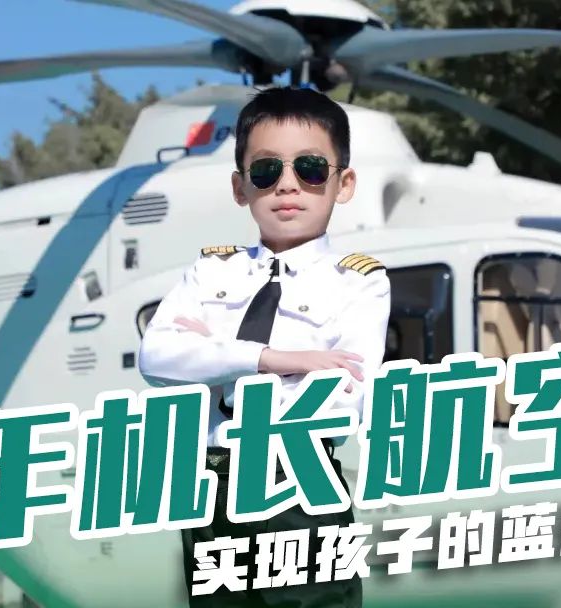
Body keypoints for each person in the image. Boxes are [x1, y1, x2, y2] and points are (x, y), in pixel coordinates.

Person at [138, 85, 391, 607]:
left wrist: (212, 354)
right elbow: (156, 357)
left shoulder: (360, 282)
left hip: (299, 482)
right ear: (240, 187)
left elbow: (343, 397)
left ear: (343, 184)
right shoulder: (211, 270)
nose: (288, 185)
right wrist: (274, 360)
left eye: (311, 169)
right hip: (212, 490)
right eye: (266, 170)